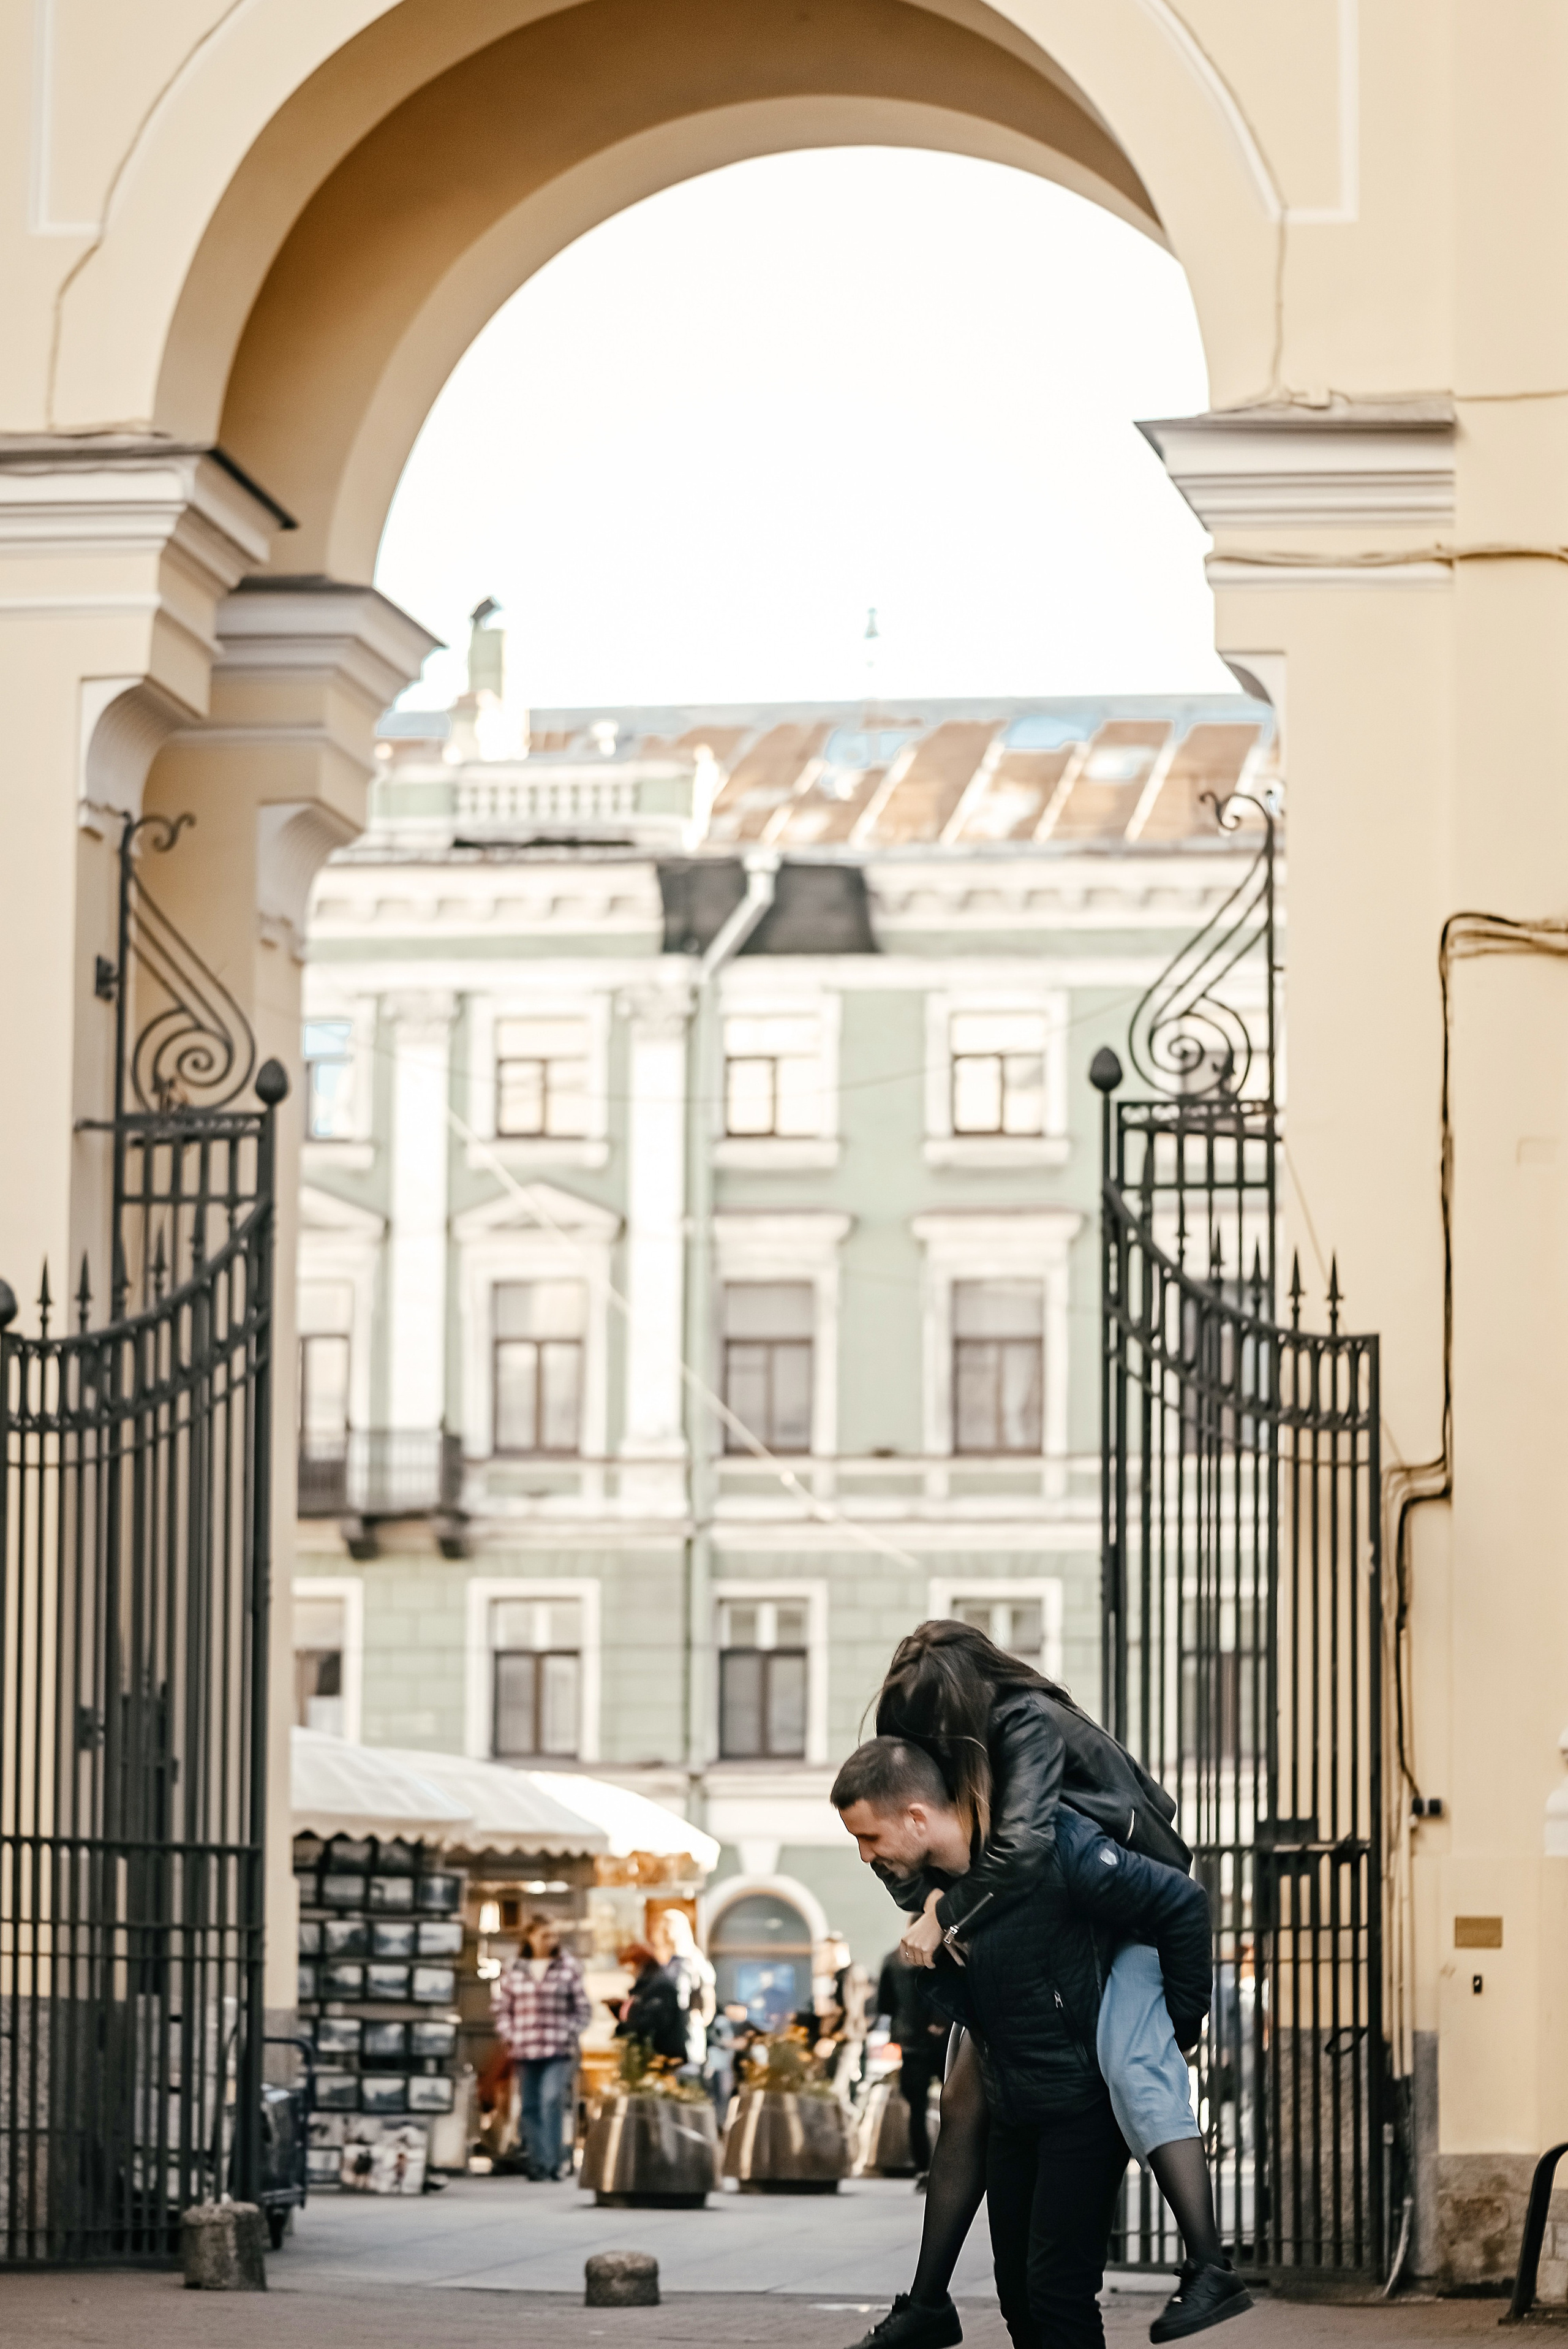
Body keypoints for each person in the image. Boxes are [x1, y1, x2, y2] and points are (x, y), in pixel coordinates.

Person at [866, 1620, 1242, 2342]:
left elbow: (1024, 1849)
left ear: (950, 1709)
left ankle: (1209, 2264)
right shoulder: (982, 1758)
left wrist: (945, 1913)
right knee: (964, 2099)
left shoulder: (1022, 1725)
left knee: (1138, 2068)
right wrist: (934, 1903)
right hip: (1058, 1943)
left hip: (1131, 1906)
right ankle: (927, 2302)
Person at [490, 1914, 591, 2182]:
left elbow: (582, 2009)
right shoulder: (514, 1968)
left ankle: (552, 2162)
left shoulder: (568, 1967)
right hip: (525, 2048)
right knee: (529, 2106)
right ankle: (536, 2161)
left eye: (554, 1936)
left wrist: (568, 2031)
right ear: (530, 1937)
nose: (550, 1941)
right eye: (544, 1935)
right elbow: (502, 2008)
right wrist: (510, 2034)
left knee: (551, 2101)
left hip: (557, 2048)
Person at [875, 1948, 948, 2181]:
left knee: (917, 2109)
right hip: (942, 2040)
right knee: (958, 2104)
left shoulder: (892, 1960)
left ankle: (923, 2169)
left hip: (910, 2042)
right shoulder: (942, 1954)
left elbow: (884, 2004)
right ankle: (955, 2166)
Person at [649, 1907, 716, 2074]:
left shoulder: (690, 1962)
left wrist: (697, 2019)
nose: (663, 1931)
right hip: (670, 2038)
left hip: (684, 2040)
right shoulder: (664, 1963)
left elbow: (707, 2002)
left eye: (668, 1926)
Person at [612, 1942, 690, 2062]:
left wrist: (625, 2028)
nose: (629, 1973)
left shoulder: (659, 1986)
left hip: (663, 2056)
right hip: (654, 2054)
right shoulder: (648, 1986)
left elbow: (654, 2020)